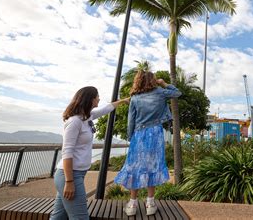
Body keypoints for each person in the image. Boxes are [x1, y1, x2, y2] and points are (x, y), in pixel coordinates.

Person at [51, 86, 129, 220]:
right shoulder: (74, 121)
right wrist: (69, 181)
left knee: (59, 217)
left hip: (76, 174)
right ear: (90, 99)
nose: (99, 98)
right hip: (69, 175)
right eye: (97, 96)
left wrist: (123, 101)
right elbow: (67, 152)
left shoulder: (87, 117)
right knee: (80, 217)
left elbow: (106, 108)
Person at [114, 70, 181, 216]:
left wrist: (131, 138)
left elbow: (130, 121)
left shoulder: (134, 98)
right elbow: (177, 93)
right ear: (152, 80)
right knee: (153, 165)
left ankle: (132, 204)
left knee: (134, 168)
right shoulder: (160, 92)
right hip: (155, 133)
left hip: (139, 134)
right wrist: (164, 83)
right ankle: (150, 203)